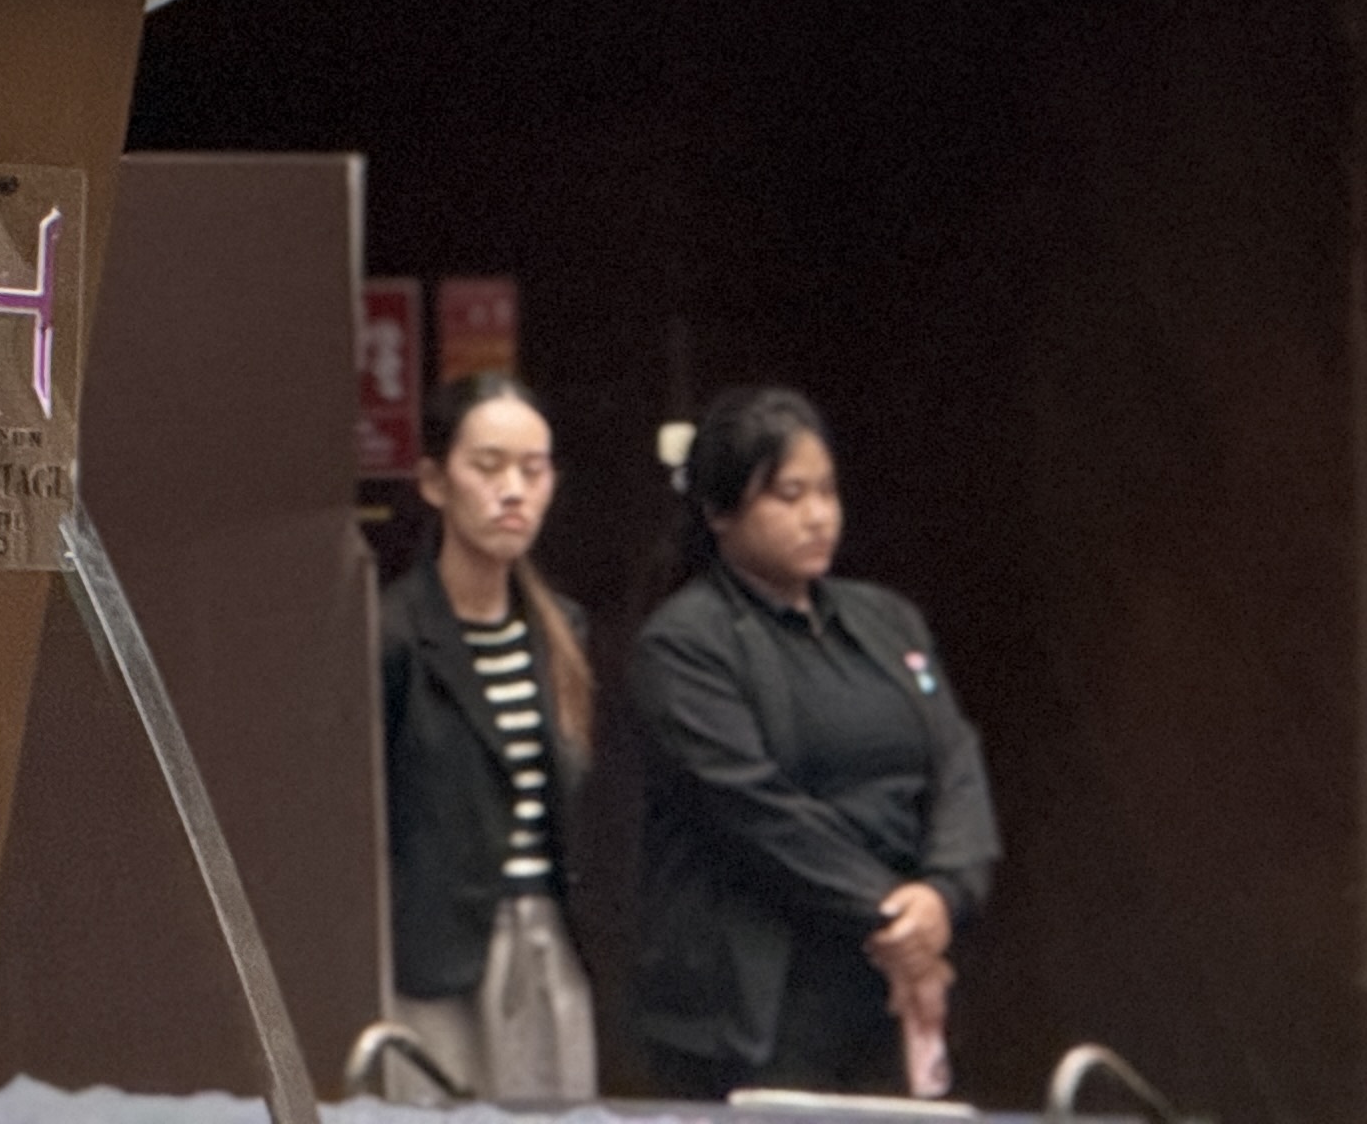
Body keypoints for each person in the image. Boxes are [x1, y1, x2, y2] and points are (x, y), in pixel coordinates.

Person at [633, 386, 1000, 1102]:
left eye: (827, 492)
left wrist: (944, 892)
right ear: (720, 512)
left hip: (890, 978)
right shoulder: (684, 643)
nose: (818, 515)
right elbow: (753, 807)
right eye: (789, 495)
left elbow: (955, 761)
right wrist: (891, 911)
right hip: (762, 994)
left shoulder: (890, 620)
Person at [379, 371, 600, 1103]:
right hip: (435, 949)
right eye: (489, 467)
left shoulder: (560, 629)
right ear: (435, 482)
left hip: (549, 937)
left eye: (533, 471)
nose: (514, 491)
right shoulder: (392, 633)